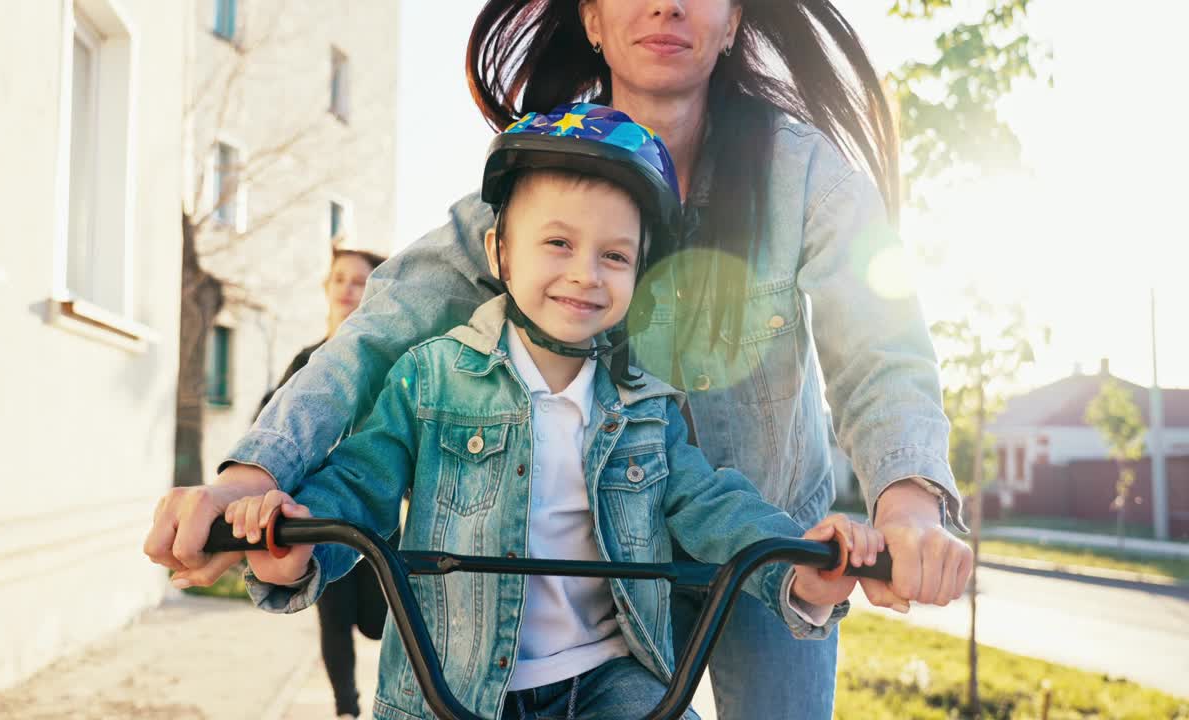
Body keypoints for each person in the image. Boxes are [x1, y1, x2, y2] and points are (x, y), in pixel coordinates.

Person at [146, 3, 974, 718]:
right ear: (590, 18)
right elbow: (381, 327)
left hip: (761, 540)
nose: (666, 6)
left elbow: (880, 347)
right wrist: (254, 475)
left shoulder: (802, 174)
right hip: (605, 581)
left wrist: (908, 508)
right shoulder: (542, 176)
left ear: (734, 23)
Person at [223, 105, 884, 720]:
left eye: (615, 256)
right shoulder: (429, 379)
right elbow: (359, 483)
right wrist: (299, 545)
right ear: (499, 253)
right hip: (448, 686)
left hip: (611, 686)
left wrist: (798, 568)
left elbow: (715, 506)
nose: (586, 275)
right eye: (558, 244)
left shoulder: (647, 407)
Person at [257, 244, 389, 720]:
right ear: (327, 288)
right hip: (320, 515)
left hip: (380, 520)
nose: (348, 289)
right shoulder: (306, 363)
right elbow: (270, 429)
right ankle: (347, 712)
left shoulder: (392, 363)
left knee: (377, 623)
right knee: (333, 620)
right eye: (340, 279)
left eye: (360, 281)